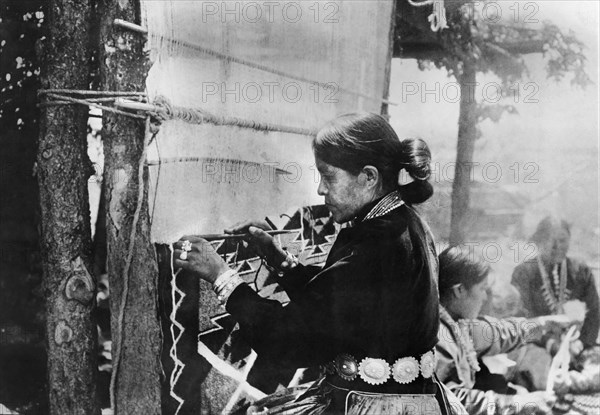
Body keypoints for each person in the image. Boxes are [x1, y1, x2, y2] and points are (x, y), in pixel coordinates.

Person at [173, 112, 458, 414]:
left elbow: (286, 341)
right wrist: (276, 258)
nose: (321, 190)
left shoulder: (376, 243)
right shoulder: (403, 223)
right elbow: (340, 303)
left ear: (369, 177)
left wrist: (221, 275)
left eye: (329, 176)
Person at [435, 246, 573, 415]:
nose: (486, 297)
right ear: (459, 290)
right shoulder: (435, 337)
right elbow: (451, 401)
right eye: (482, 289)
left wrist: (543, 324)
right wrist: (519, 403)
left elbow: (500, 334)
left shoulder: (458, 325)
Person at [510, 216, 600, 391]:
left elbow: (594, 313)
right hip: (537, 346)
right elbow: (522, 319)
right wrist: (551, 343)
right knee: (537, 371)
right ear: (539, 241)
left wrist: (580, 343)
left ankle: (570, 382)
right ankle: (559, 384)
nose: (556, 247)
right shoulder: (524, 273)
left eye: (562, 240)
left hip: (576, 346)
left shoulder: (581, 271)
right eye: (550, 240)